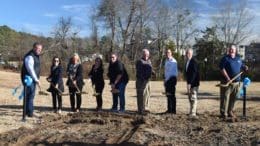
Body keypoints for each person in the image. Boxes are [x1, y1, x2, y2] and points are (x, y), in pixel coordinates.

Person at [219, 45, 248, 120]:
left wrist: (245, 67)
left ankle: (230, 111)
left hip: (236, 82)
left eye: (233, 49)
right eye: (230, 49)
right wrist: (228, 78)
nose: (231, 50)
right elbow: (222, 69)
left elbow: (242, 65)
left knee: (234, 98)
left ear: (235, 50)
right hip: (227, 82)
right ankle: (223, 113)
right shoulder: (225, 58)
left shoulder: (238, 58)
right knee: (225, 97)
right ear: (229, 50)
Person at [21, 42, 43, 117]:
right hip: (28, 79)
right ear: (33, 48)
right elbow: (30, 69)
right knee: (30, 95)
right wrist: (36, 79)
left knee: (30, 95)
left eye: (40, 49)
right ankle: (30, 113)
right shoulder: (30, 56)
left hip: (32, 79)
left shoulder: (36, 56)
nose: (39, 50)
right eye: (37, 48)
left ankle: (27, 111)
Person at [136, 49, 152, 115]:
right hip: (141, 81)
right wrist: (144, 80)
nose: (146, 56)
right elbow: (140, 72)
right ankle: (141, 110)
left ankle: (146, 108)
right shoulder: (139, 62)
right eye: (144, 54)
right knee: (141, 96)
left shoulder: (149, 61)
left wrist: (153, 73)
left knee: (147, 95)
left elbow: (150, 69)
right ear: (142, 54)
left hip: (148, 81)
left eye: (147, 54)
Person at [185, 49, 200, 117]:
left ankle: (193, 113)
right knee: (190, 97)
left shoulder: (194, 62)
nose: (187, 54)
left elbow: (194, 74)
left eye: (189, 53)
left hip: (194, 83)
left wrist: (190, 83)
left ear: (192, 54)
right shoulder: (187, 61)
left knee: (193, 97)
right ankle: (192, 111)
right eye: (187, 53)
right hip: (189, 82)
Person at [164, 49, 178, 114]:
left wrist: (169, 80)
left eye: (169, 52)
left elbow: (172, 72)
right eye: (166, 52)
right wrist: (165, 80)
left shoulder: (173, 61)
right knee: (168, 95)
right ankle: (169, 109)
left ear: (171, 53)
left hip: (172, 80)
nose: (167, 54)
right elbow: (166, 71)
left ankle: (173, 110)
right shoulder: (166, 61)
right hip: (167, 80)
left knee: (172, 95)